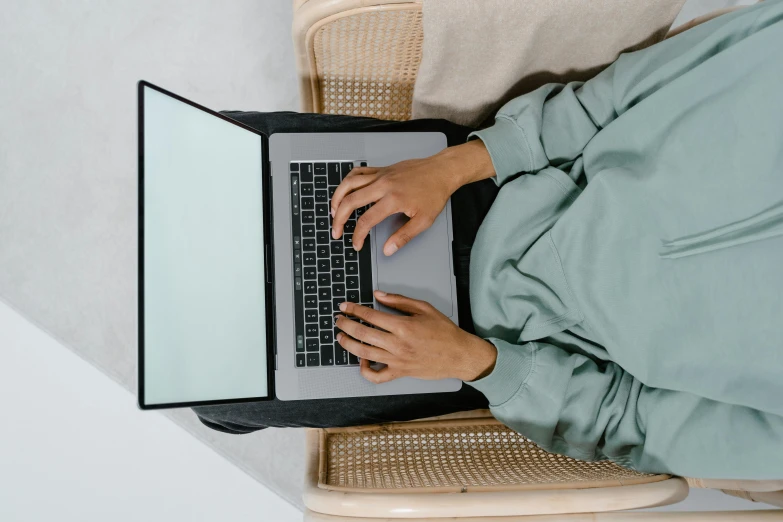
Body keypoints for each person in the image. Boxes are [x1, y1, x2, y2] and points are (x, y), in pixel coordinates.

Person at [196, 0, 783, 479]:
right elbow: (606, 103)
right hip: (488, 185)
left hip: (489, 340)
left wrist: (474, 363)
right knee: (214, 160)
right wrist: (455, 165)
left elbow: (630, 425)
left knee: (217, 390)